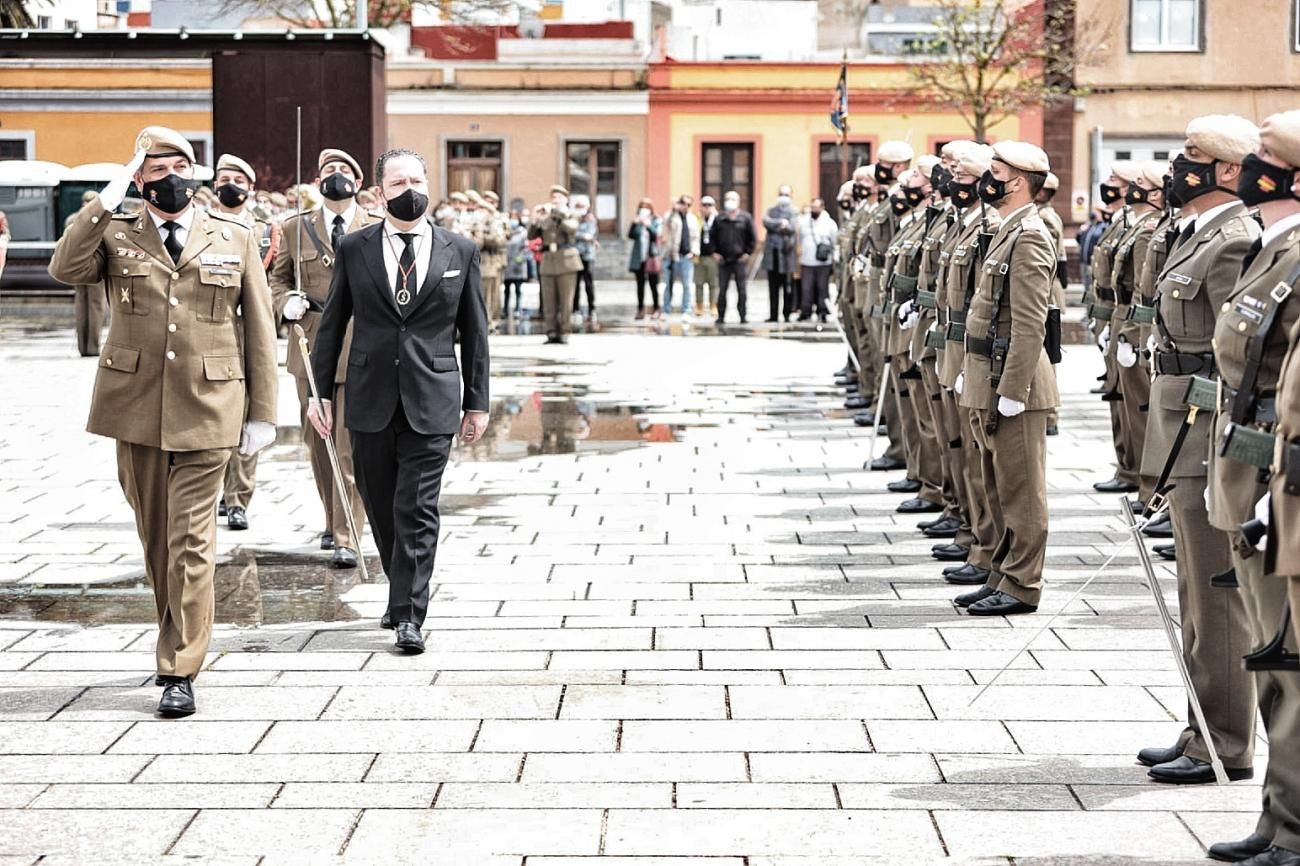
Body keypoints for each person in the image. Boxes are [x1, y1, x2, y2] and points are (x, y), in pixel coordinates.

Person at [48, 126, 278, 716]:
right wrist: (108, 195)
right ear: (140, 179)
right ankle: (172, 631)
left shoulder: (234, 235)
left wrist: (263, 413)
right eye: (155, 170)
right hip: (136, 410)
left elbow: (257, 326)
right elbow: (64, 266)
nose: (168, 177)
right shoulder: (115, 230)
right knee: (157, 542)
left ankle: (179, 666)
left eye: (178, 165)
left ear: (195, 173)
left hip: (211, 408)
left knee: (191, 542)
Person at [307, 147, 490, 655]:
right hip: (368, 397)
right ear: (380, 193)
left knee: (417, 506)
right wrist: (318, 392)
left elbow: (476, 332)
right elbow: (332, 325)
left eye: (415, 179)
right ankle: (399, 584)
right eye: (396, 182)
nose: (407, 189)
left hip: (433, 396)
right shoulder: (356, 247)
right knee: (381, 502)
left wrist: (478, 402)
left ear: (428, 185)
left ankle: (410, 613)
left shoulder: (460, 249)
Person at [1137, 114, 1261, 786]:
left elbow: (1233, 361)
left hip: (1202, 435)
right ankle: (1200, 728)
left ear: (1222, 169)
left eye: (1190, 155)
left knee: (1216, 597)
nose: (1176, 165)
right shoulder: (1197, 235)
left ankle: (1227, 742)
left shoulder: (1234, 240)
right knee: (1194, 591)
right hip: (1178, 431)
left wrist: (1209, 444)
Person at [1206, 110, 1300, 866]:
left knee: (1290, 662)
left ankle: (1295, 830)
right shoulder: (1267, 250)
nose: (1248, 165)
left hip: (1278, 485)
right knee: (1272, 663)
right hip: (1246, 474)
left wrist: (1279, 484)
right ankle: (1276, 818)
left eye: (1263, 157)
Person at [952, 140, 1059, 616]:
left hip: (1016, 382)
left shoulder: (1031, 233)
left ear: (1015, 182)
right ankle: (1001, 573)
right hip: (987, 373)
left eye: (994, 170)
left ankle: (1022, 585)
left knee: (1021, 491)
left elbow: (1030, 322)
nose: (987, 178)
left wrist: (1013, 390)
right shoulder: (1007, 229)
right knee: (996, 485)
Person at [272, 147, 379, 569]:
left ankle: (346, 534)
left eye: (344, 170)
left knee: (349, 445)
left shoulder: (375, 225)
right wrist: (285, 301)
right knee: (319, 442)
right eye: (329, 171)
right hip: (312, 345)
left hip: (360, 344)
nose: (337, 176)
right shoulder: (295, 228)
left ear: (358, 181)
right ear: (318, 183)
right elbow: (276, 278)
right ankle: (332, 516)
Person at [528, 186, 582, 344]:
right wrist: (535, 218)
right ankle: (551, 331)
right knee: (549, 299)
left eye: (559, 197)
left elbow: (571, 229)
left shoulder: (571, 214)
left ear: (566, 199)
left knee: (566, 300)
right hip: (548, 260)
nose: (555, 201)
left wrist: (555, 212)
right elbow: (531, 235)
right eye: (553, 198)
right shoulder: (547, 217)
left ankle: (565, 330)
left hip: (567, 260)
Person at [66, 190, 110, 357]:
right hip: (95, 267)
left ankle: (82, 347)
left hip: (77, 268)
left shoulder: (72, 219)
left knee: (81, 306)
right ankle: (92, 348)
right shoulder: (101, 219)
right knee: (96, 307)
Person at [711, 190, 756, 325]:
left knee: (742, 289)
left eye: (733, 199)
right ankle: (721, 316)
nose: (730, 201)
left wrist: (748, 253)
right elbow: (712, 237)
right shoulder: (719, 218)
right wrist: (714, 252)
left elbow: (752, 238)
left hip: (739, 260)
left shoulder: (746, 218)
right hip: (723, 259)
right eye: (728, 199)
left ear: (738, 202)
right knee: (722, 289)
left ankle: (742, 316)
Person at [796, 197, 837, 322]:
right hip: (807, 261)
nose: (814, 209)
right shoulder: (803, 221)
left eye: (817, 207)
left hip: (824, 262)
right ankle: (806, 311)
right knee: (806, 288)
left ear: (822, 208)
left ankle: (823, 311)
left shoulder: (829, 223)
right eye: (813, 207)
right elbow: (798, 237)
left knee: (822, 287)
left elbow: (834, 241)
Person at [761, 185, 798, 322]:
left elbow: (792, 227)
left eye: (786, 194)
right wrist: (781, 223)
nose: (784, 197)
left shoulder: (794, 211)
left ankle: (787, 313)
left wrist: (784, 225)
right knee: (773, 287)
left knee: (788, 286)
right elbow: (766, 222)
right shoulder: (771, 210)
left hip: (787, 255)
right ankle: (773, 314)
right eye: (782, 194)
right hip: (773, 255)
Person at [474, 190, 509, 328]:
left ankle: (492, 320)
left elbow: (502, 239)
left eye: (490, 203)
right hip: (481, 259)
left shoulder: (499, 218)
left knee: (492, 293)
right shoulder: (478, 219)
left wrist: (482, 237)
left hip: (494, 259)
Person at [662, 194, 701, 319]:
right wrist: (674, 209)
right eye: (683, 203)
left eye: (689, 204)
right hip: (671, 255)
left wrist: (694, 252)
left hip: (686, 256)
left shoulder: (692, 219)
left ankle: (686, 310)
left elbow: (696, 237)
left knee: (687, 285)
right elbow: (666, 224)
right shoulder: (672, 216)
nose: (686, 206)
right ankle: (666, 309)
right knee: (668, 283)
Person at [627, 198, 662, 320]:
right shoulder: (637, 221)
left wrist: (648, 225)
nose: (644, 210)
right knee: (640, 285)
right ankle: (640, 309)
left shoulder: (656, 220)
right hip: (639, 257)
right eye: (642, 207)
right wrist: (635, 223)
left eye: (647, 207)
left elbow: (656, 235)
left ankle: (656, 308)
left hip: (651, 257)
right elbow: (631, 235)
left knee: (654, 285)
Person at [572, 193, 598, 324]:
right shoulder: (573, 219)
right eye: (578, 206)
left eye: (582, 206)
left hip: (588, 255)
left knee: (589, 283)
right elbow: (571, 233)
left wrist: (579, 235)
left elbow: (590, 234)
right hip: (575, 254)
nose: (580, 208)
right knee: (575, 284)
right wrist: (583, 235)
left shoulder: (590, 219)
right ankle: (575, 309)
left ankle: (591, 308)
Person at [695, 195, 720, 319]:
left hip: (712, 256)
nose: (707, 208)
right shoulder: (697, 220)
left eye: (709, 205)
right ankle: (699, 305)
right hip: (699, 255)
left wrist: (718, 252)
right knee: (698, 283)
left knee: (713, 283)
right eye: (704, 205)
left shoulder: (717, 220)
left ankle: (713, 305)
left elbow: (721, 238)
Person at [503, 215, 529, 321]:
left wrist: (521, 258)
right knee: (507, 290)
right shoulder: (505, 232)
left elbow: (526, 248)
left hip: (518, 265)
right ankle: (505, 309)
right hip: (507, 265)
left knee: (518, 289)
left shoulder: (523, 233)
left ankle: (518, 308)